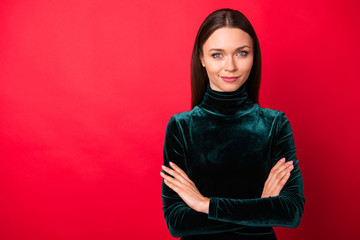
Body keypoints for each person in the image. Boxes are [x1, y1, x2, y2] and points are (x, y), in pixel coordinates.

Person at [160, 8, 305, 240]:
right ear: (201, 58)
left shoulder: (275, 124)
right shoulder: (181, 127)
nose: (230, 66)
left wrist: (203, 204)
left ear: (253, 55)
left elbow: (291, 213)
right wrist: (260, 209)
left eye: (241, 53)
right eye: (217, 54)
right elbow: (178, 223)